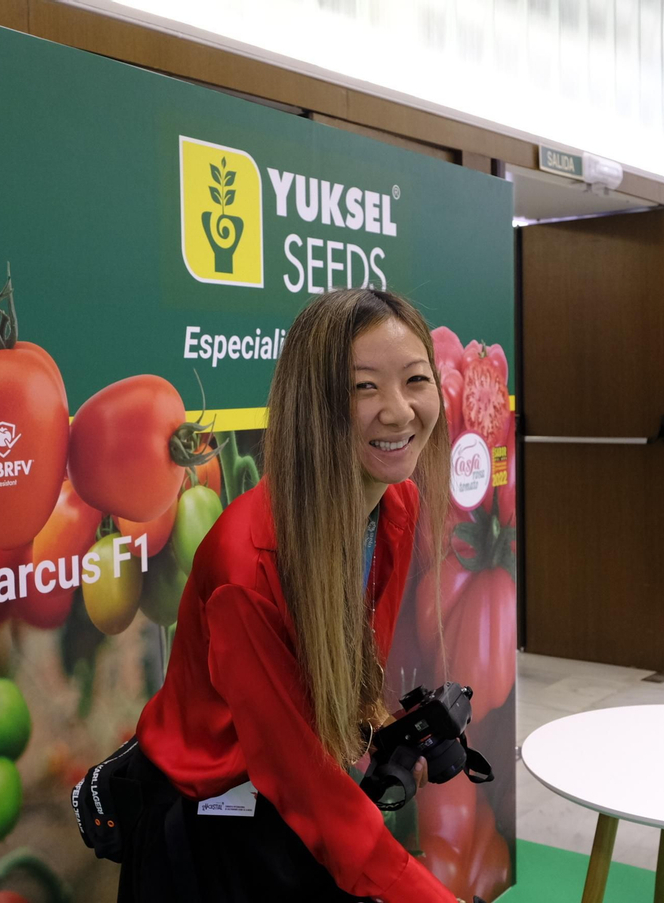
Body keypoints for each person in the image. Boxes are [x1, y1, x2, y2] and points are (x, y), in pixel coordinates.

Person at [120, 289, 460, 902]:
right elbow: (304, 782)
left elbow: (352, 666)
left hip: (288, 814)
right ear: (313, 403)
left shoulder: (397, 507)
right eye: (363, 387)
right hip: (212, 837)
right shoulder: (246, 565)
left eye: (416, 379)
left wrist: (379, 726)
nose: (398, 411)